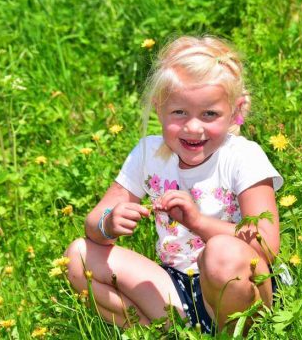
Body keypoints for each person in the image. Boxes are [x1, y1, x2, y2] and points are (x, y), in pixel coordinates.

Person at [64, 35, 283, 334]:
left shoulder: (242, 156)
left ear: (235, 110)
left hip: (241, 285)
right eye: (179, 112)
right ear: (159, 108)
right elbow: (92, 225)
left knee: (220, 252)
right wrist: (108, 224)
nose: (194, 127)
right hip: (174, 286)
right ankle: (164, 332)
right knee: (77, 257)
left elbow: (266, 245)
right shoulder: (148, 154)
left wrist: (197, 221)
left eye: (210, 114)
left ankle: (233, 334)